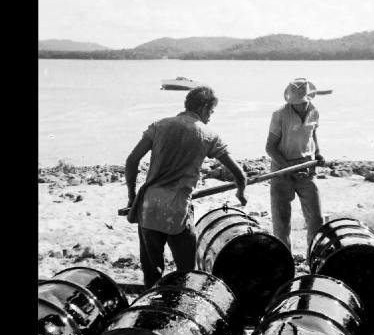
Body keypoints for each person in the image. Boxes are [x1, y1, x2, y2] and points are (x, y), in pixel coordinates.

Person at [125, 86, 247, 289]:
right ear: (204, 107)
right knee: (187, 273)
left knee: (151, 272)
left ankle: (150, 306)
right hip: (176, 210)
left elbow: (131, 161)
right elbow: (239, 174)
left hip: (148, 208)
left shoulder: (159, 126)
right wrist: (241, 192)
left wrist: (131, 196)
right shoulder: (208, 135)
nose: (210, 117)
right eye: (211, 112)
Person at [265, 78, 325, 250]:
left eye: (302, 102)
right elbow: (270, 147)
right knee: (282, 222)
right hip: (281, 169)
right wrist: (288, 169)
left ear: (308, 99)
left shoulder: (314, 111)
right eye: (295, 103)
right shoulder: (279, 114)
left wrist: (318, 153)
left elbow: (312, 135)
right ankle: (285, 261)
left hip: (306, 169)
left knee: (316, 219)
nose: (299, 105)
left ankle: (313, 257)